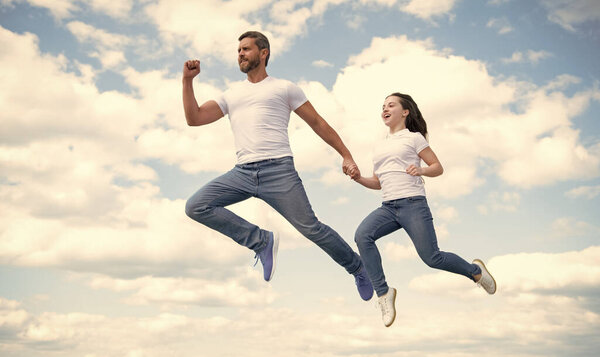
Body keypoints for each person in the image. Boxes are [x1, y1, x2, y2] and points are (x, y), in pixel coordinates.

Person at [182, 31, 373, 301]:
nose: (240, 54)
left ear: (264, 53)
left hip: (278, 171)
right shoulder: (231, 94)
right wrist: (187, 81)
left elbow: (318, 123)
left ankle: (358, 268)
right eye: (238, 50)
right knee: (196, 206)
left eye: (246, 49)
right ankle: (260, 241)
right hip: (243, 172)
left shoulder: (284, 88)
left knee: (311, 228)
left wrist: (346, 155)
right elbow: (194, 118)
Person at [351, 92, 496, 327]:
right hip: (388, 207)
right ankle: (383, 293)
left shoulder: (414, 138)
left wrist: (421, 171)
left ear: (405, 111)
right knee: (362, 235)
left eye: (391, 105)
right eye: (383, 106)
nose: (385, 109)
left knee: (432, 257)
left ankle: (475, 271)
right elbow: (378, 183)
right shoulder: (379, 147)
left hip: (413, 204)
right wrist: (358, 178)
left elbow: (437, 167)